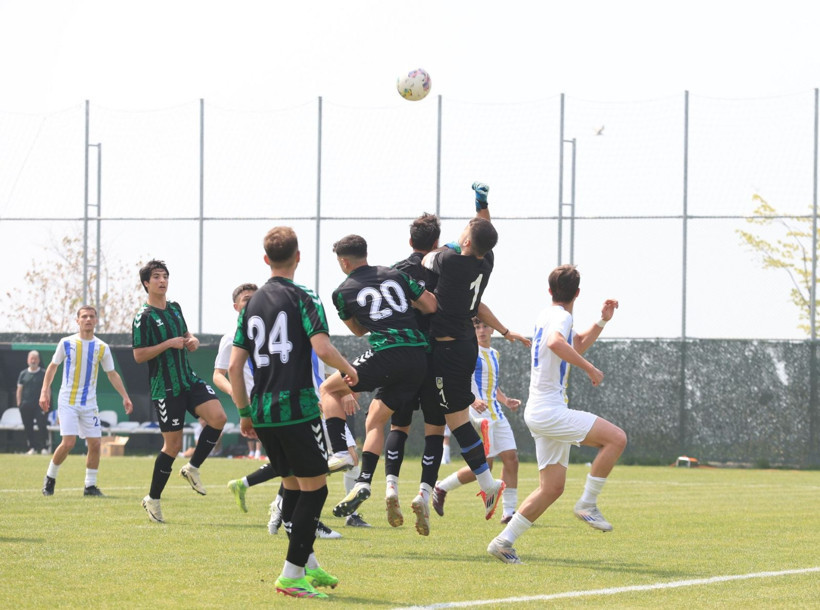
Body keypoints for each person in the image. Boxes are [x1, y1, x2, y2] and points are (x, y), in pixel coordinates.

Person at [229, 226, 358, 599]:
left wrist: (245, 412)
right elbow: (322, 348)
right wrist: (350, 371)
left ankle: (310, 566)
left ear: (266, 259)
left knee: (292, 486)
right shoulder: (305, 297)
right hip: (297, 409)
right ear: (298, 257)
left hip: (264, 411)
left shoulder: (250, 304)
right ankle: (290, 574)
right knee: (315, 491)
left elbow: (236, 367)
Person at [487, 264, 626, 564]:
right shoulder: (561, 317)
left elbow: (574, 344)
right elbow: (556, 343)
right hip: (549, 411)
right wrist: (589, 368)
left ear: (549, 291)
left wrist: (601, 321)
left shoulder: (547, 315)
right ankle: (588, 504)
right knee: (616, 439)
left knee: (551, 488)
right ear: (578, 293)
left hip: (543, 411)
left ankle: (503, 542)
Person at [418, 182, 530, 528]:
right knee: (451, 419)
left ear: (465, 242)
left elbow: (425, 257)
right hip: (464, 345)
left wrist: (452, 242)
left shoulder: (450, 259)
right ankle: (478, 484)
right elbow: (484, 232)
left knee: (454, 420)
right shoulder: (486, 261)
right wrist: (482, 204)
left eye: (464, 232)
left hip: (448, 350)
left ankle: (483, 485)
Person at [320, 234, 437, 523]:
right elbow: (431, 305)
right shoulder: (395, 274)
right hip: (419, 358)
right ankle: (363, 482)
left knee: (328, 389)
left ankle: (341, 452)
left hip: (387, 354)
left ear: (344, 261)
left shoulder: (342, 292)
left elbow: (359, 331)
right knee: (375, 420)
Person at [217, 282, 344, 539]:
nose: (249, 302)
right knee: (316, 477)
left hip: (270, 409)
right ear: (235, 306)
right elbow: (224, 372)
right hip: (285, 406)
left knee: (294, 473)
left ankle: (289, 528)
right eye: (244, 300)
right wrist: (241, 405)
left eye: (252, 298)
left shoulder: (280, 322)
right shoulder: (235, 336)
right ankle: (299, 543)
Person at [133, 259, 227, 523]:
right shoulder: (143, 317)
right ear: (146, 283)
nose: (162, 281)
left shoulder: (175, 308)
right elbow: (139, 355)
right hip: (165, 387)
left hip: (188, 380)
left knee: (219, 418)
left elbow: (186, 335)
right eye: (156, 277)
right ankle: (153, 499)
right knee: (172, 446)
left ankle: (193, 467)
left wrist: (192, 340)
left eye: (165, 276)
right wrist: (167, 344)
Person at [432, 318, 522, 523]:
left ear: (492, 329)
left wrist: (506, 400)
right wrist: (472, 401)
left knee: (511, 459)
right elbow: (461, 378)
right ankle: (441, 487)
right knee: (485, 466)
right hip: (479, 415)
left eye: (484, 326)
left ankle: (509, 513)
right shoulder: (470, 351)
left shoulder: (495, 354)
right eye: (477, 327)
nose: (481, 331)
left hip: (497, 414)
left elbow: (493, 385)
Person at [39, 306, 133, 496]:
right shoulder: (66, 343)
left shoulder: (102, 347)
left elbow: (112, 374)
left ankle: (90, 486)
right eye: (84, 316)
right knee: (68, 443)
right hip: (68, 401)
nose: (88, 319)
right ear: (77, 320)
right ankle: (50, 478)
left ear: (96, 321)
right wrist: (44, 391)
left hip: (89, 404)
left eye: (91, 316)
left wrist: (125, 396)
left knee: (96, 444)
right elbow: (52, 367)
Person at [17, 350, 48, 455]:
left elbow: (47, 389)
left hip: (39, 405)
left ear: (39, 360)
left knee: (41, 425)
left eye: (35, 358)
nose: (33, 361)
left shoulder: (43, 373)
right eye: (31, 358)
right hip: (26, 405)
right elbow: (19, 389)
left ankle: (44, 447)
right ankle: (32, 448)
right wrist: (19, 403)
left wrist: (46, 402)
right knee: (28, 426)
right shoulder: (23, 374)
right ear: (28, 360)